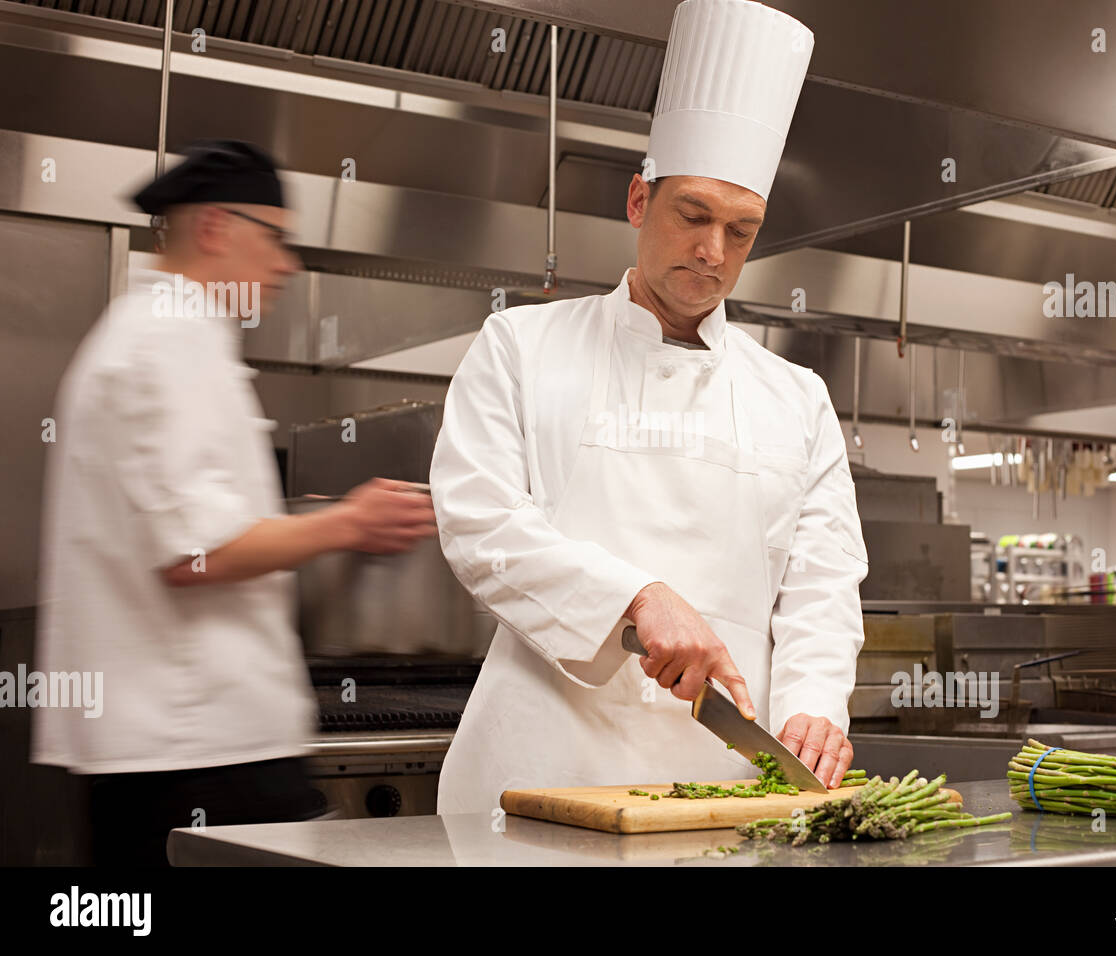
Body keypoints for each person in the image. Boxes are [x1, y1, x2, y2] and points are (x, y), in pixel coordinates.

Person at [431, 0, 869, 814]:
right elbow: (477, 522)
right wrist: (636, 597)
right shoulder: (520, 346)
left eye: (741, 231)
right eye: (692, 215)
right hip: (538, 777)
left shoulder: (797, 399)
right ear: (639, 201)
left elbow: (823, 584)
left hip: (726, 788)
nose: (712, 251)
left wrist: (814, 704)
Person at [31, 140, 437, 865]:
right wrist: (352, 521)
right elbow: (193, 553)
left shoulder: (162, 335)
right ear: (216, 227)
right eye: (275, 238)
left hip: (178, 742)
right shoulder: (167, 340)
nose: (287, 265)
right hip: (196, 749)